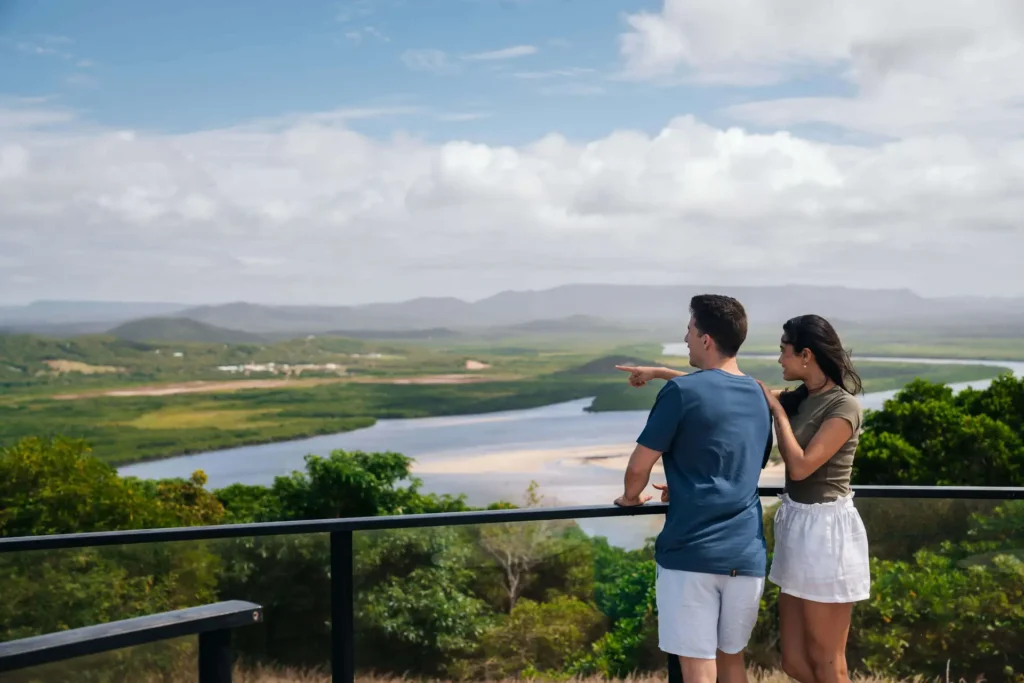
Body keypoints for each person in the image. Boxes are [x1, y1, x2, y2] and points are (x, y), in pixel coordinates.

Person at [613, 294, 772, 683]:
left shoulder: (681, 393)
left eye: (689, 329)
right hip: (746, 555)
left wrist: (630, 498)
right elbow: (733, 459)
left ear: (706, 339)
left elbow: (638, 467)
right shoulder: (760, 395)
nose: (685, 337)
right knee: (732, 662)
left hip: (691, 553)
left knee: (697, 668)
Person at [754, 315, 869, 683]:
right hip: (796, 524)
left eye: (783, 351)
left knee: (826, 659)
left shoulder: (843, 406)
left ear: (806, 354)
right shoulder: (801, 399)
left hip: (826, 531)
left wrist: (777, 413)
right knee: (794, 662)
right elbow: (728, 388)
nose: (779, 360)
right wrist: (660, 373)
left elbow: (801, 467)